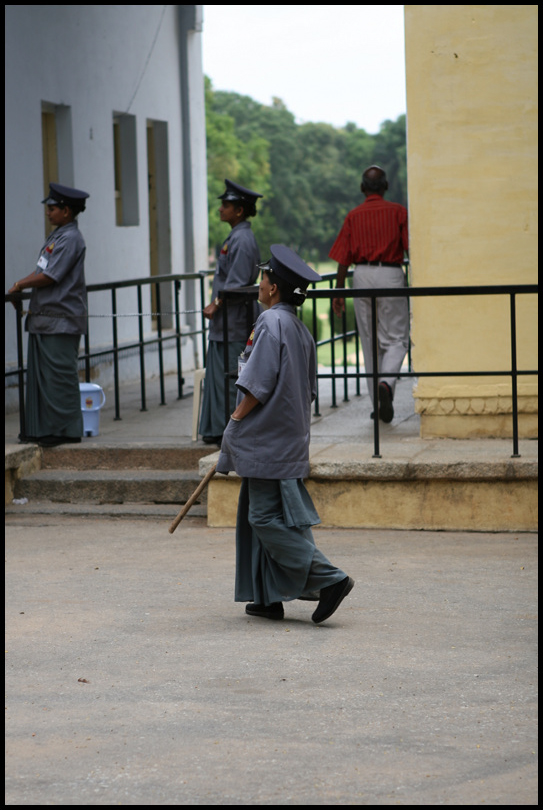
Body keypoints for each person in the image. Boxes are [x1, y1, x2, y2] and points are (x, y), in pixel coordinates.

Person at [217, 244, 355, 624]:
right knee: (273, 515)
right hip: (287, 439)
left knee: (263, 518)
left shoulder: (270, 323)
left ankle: (329, 580)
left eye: (263, 277)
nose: (259, 282)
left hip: (266, 440)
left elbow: (257, 385)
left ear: (273, 287)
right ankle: (268, 596)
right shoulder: (299, 328)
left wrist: (235, 420)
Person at [8, 182, 90, 447]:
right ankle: (42, 429)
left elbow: (50, 275)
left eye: (53, 208)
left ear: (66, 211)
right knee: (42, 378)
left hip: (61, 320)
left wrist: (20, 284)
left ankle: (66, 430)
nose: (48, 212)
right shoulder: (58, 236)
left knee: (60, 379)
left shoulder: (70, 238)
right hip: (46, 318)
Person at [329, 165, 409, 423]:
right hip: (391, 274)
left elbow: (343, 257)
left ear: (363, 188)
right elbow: (410, 249)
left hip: (360, 275)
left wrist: (338, 292)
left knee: (369, 341)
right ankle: (385, 385)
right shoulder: (398, 212)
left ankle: (379, 403)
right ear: (385, 187)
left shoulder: (354, 215)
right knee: (396, 338)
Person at [199, 179, 263, 445]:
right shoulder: (235, 236)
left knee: (230, 378)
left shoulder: (243, 239)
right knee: (218, 377)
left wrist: (216, 303)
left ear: (239, 210)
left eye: (226, 205)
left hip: (234, 323)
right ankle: (216, 429)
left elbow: (236, 284)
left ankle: (230, 430)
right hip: (224, 323)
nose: (220, 209)